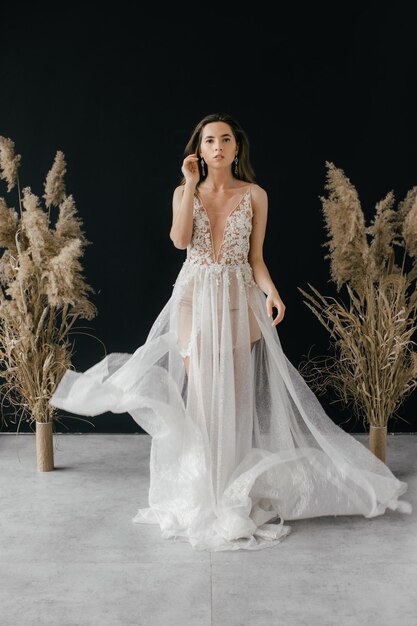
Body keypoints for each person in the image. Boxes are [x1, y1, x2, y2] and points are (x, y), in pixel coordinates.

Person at [49, 113, 412, 552]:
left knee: (235, 399)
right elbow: (180, 241)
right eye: (209, 141)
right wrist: (187, 184)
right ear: (199, 150)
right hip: (194, 301)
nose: (217, 147)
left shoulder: (256, 195)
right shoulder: (186, 192)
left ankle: (232, 491)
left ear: (236, 149)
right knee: (203, 396)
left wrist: (273, 293)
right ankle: (204, 492)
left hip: (240, 301)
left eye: (225, 140)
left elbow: (256, 258)